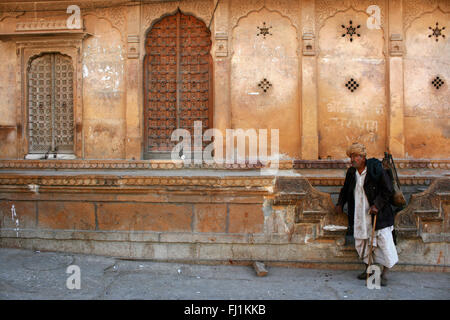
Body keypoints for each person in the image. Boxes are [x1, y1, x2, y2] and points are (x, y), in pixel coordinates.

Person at [335, 142, 398, 286]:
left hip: (378, 215)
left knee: (383, 244)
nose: (353, 159)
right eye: (351, 156)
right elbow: (345, 190)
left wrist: (377, 205)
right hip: (360, 214)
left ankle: (385, 275)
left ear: (363, 157)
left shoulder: (376, 169)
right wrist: (340, 203)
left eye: (356, 156)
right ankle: (369, 270)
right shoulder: (352, 173)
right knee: (363, 243)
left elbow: (387, 189)